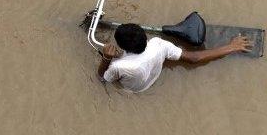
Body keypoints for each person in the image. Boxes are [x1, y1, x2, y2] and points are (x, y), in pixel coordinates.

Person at [97, 23, 252, 93]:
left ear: (123, 47)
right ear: (145, 37)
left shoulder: (118, 66)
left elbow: (102, 79)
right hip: (153, 77)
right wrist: (231, 46)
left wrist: (105, 58)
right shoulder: (158, 43)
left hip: (132, 90)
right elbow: (194, 58)